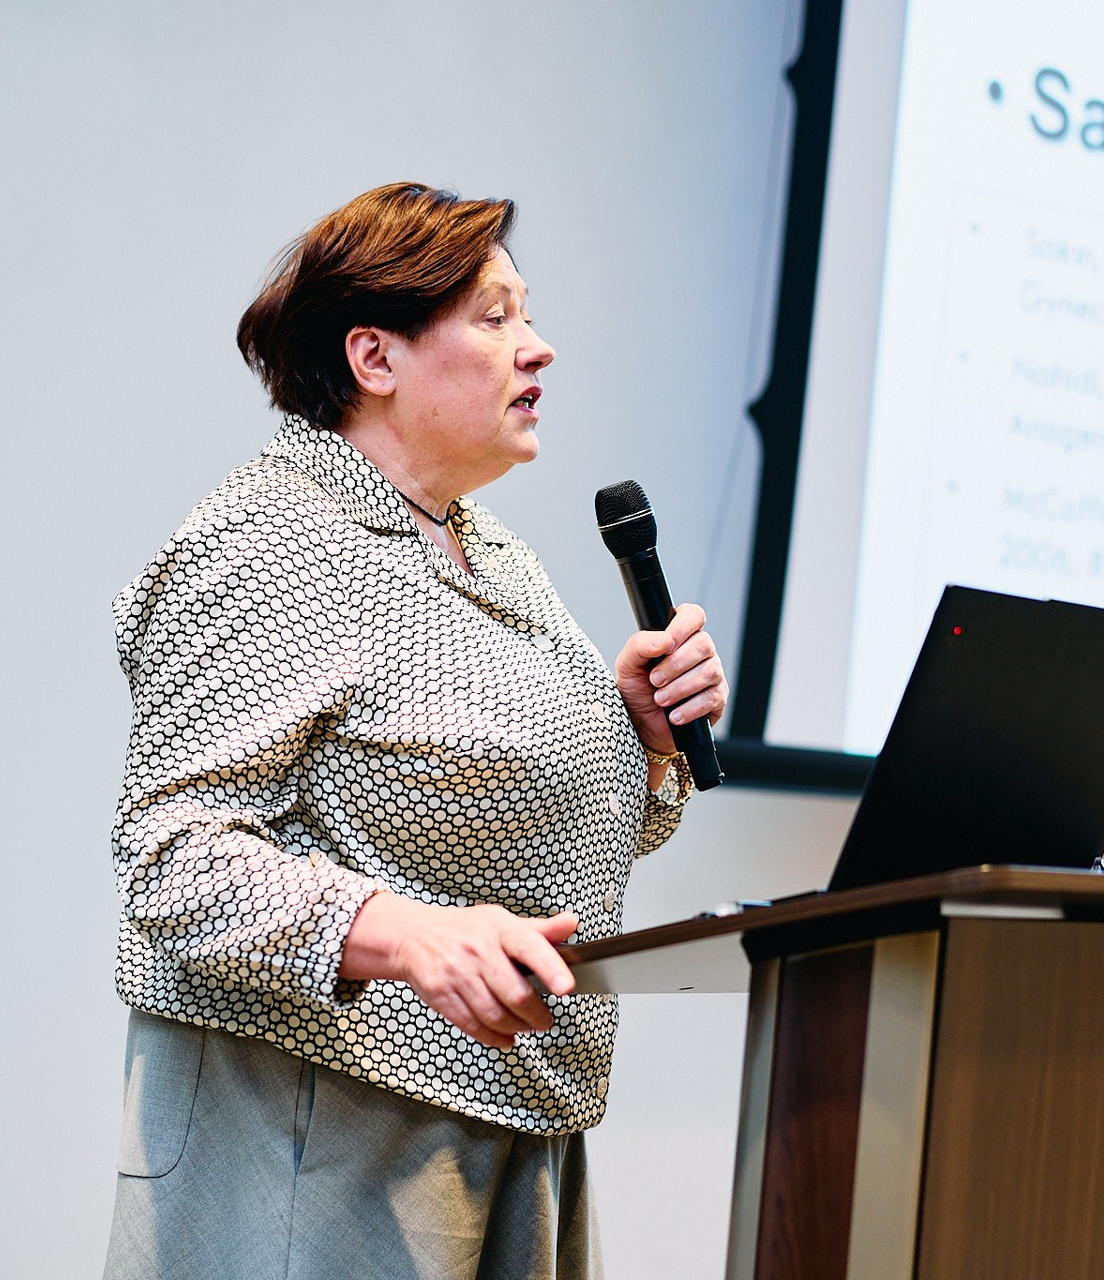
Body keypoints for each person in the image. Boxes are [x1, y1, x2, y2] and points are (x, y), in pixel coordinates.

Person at [102, 182, 729, 1280]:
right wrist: (406, 935)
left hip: (520, 1115)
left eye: (527, 312)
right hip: (324, 1126)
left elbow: (528, 831)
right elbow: (170, 856)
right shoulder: (271, 539)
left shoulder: (491, 552)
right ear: (374, 358)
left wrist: (639, 738)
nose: (538, 346)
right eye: (495, 317)